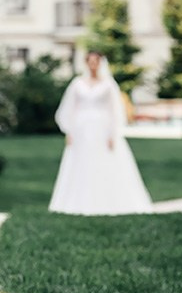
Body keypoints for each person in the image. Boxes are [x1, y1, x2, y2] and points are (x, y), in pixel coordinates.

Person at [49, 50, 154, 215]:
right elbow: (69, 108)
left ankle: (106, 201)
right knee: (81, 163)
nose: (93, 65)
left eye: (96, 61)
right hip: (81, 129)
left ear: (100, 63)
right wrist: (69, 131)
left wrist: (113, 133)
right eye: (90, 61)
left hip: (102, 128)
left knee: (103, 161)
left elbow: (115, 111)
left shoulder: (108, 84)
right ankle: (78, 201)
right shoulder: (77, 83)